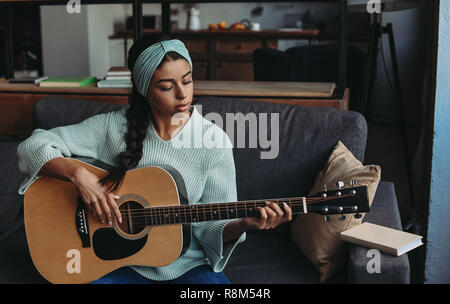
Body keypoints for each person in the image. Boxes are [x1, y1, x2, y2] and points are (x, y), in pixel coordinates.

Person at [16, 38, 292, 284]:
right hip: (114, 266)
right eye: (166, 86)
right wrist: (79, 176)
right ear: (144, 88)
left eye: (187, 80)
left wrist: (244, 224)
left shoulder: (214, 142)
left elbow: (211, 228)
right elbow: (32, 146)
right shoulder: (113, 127)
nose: (183, 94)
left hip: (185, 267)